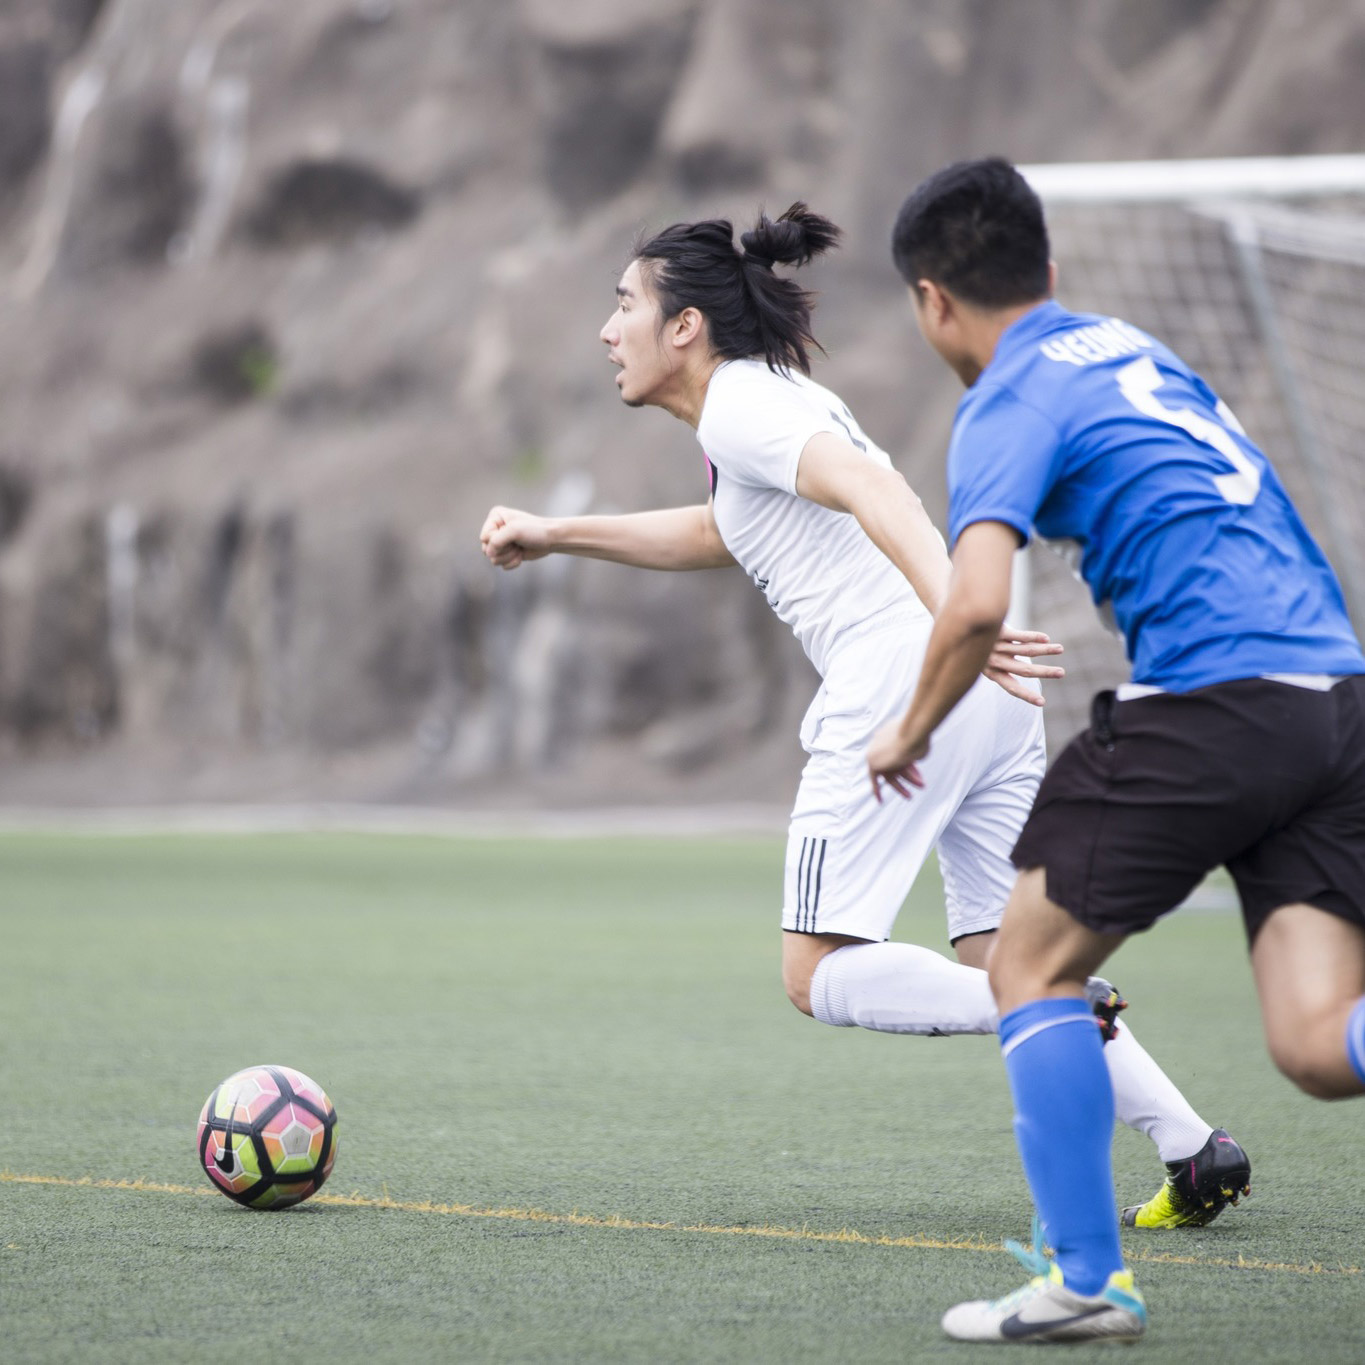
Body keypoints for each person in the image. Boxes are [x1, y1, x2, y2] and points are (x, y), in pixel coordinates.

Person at [479, 202, 1249, 1228]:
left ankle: (1052, 1005)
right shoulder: (756, 411)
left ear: (686, 328)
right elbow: (728, 530)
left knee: (818, 972)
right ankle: (1194, 1148)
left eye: (625, 305)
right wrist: (558, 530)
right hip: (979, 692)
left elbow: (873, 485)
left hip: (908, 680)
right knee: (995, 948)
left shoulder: (749, 409)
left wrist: (953, 617)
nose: (606, 330)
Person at [876, 156, 1365, 1345]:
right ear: (1046, 269)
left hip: (1213, 699)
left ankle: (1084, 1285)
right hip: (1334, 696)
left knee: (1027, 968)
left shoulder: (1003, 399)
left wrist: (909, 729)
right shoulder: (1137, 351)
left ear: (932, 301)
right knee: (1315, 1042)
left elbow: (978, 604)